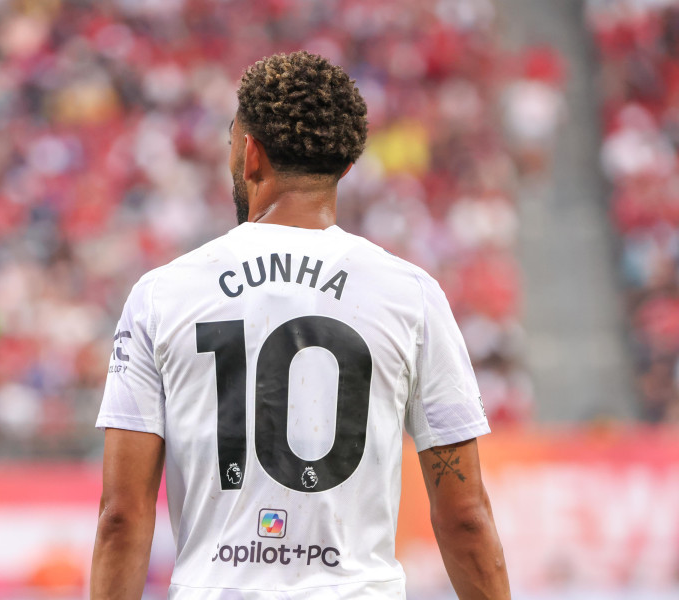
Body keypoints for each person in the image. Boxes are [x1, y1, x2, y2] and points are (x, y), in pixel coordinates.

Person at [90, 51, 510, 599]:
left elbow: (122, 515)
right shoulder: (411, 295)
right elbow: (466, 516)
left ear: (250, 155)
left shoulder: (161, 294)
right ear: (345, 168)